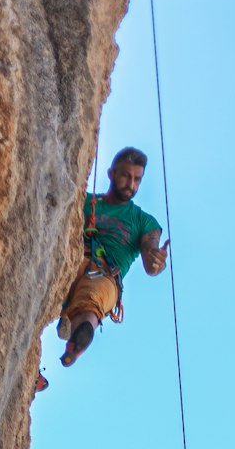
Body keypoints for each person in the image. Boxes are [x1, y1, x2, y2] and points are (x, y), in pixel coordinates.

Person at [57, 146, 168, 368]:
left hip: (105, 275)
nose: (131, 184)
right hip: (71, 259)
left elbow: (150, 256)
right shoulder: (85, 201)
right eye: (126, 175)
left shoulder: (144, 221)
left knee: (92, 301)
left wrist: (157, 262)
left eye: (137, 179)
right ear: (111, 173)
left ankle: (76, 343)